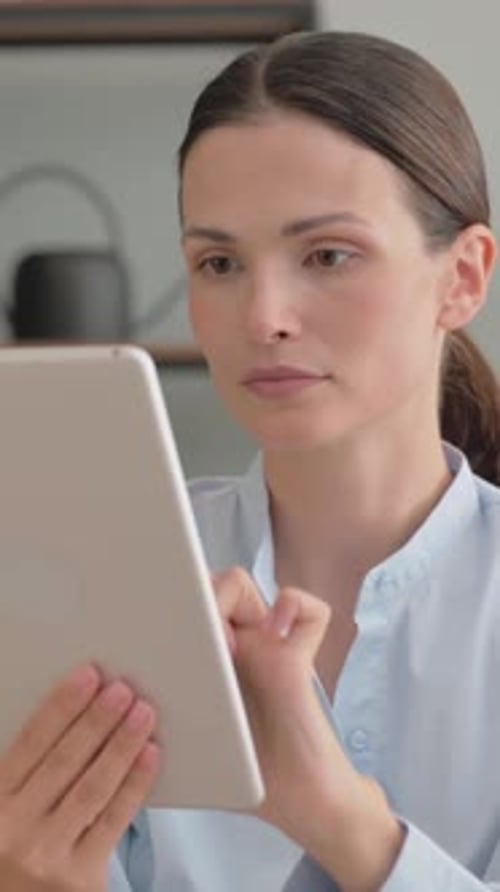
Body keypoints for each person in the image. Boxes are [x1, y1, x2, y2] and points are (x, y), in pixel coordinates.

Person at [1, 28, 500, 892]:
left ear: (463, 276)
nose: (263, 314)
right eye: (220, 261)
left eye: (328, 255)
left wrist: (346, 826)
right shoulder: (105, 577)